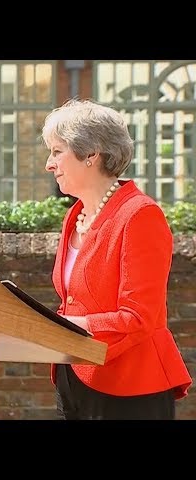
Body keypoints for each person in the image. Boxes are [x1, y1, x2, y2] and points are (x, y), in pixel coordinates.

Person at [42, 98, 192, 420]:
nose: (49, 164)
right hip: (73, 375)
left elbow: (139, 317)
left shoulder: (140, 214)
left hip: (129, 384)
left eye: (57, 151)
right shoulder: (75, 215)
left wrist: (66, 325)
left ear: (91, 154)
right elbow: (72, 301)